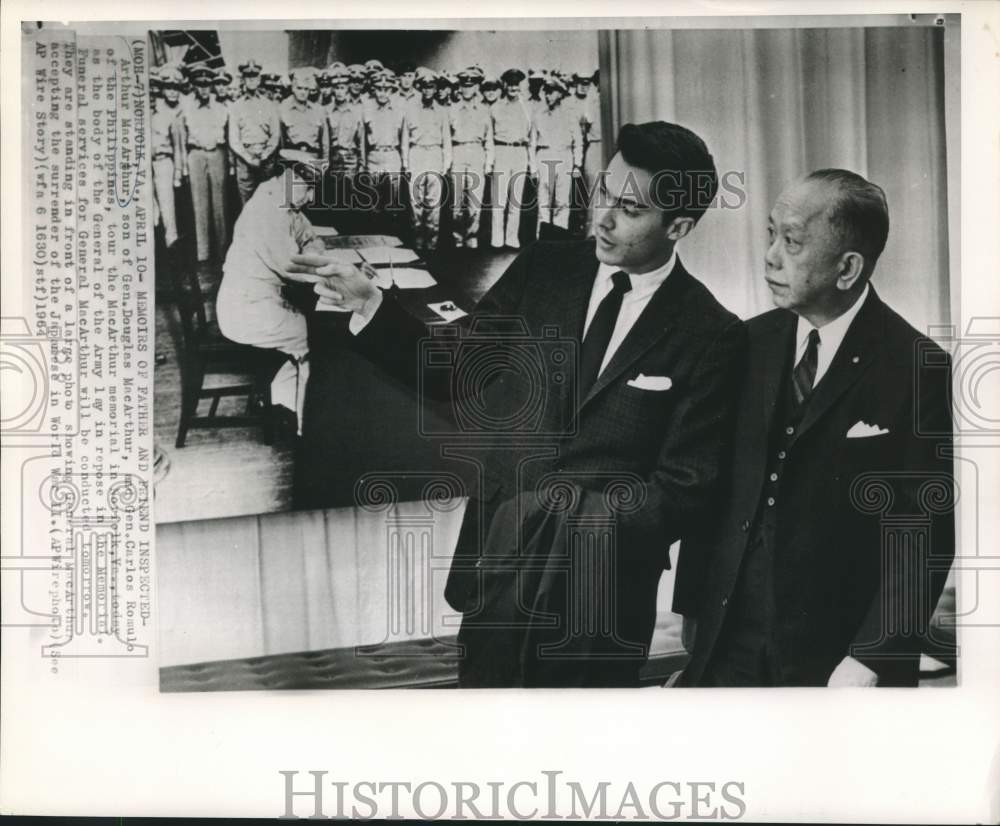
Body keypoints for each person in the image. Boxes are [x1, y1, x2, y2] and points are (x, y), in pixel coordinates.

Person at [287, 121, 745, 687]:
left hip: (599, 599)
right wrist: (373, 304)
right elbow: (457, 372)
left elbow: (685, 488)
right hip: (493, 572)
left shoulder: (713, 332)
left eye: (628, 209)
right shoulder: (542, 268)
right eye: (603, 194)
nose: (602, 218)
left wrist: (571, 525)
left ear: (679, 225)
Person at [677, 169, 955, 688]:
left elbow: (923, 531)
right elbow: (716, 488)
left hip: (839, 660)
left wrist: (872, 658)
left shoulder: (918, 365)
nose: (771, 255)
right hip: (729, 642)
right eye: (770, 234)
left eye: (793, 241)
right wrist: (694, 611)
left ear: (848, 268)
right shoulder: (747, 344)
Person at [217, 150, 330, 422]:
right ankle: (306, 424)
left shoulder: (282, 197)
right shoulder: (267, 208)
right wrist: (336, 274)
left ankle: (280, 396)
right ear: (291, 177)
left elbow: (310, 236)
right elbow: (290, 266)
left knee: (313, 330)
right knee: (314, 336)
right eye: (309, 189)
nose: (311, 198)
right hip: (245, 310)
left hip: (262, 301)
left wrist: (314, 255)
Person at [180, 65, 230, 265]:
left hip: (217, 154)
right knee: (199, 205)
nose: (203, 89)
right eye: (199, 85)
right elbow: (183, 137)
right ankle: (203, 253)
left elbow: (225, 135)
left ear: (211, 86)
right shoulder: (187, 108)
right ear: (194, 86)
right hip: (196, 155)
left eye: (207, 85)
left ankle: (223, 251)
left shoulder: (221, 109)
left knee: (220, 205)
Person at [406, 68, 451, 252]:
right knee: (416, 202)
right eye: (424, 87)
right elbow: (404, 139)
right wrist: (405, 164)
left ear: (435, 89)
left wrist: (445, 164)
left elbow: (446, 139)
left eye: (431, 87)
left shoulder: (441, 112)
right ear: (420, 89)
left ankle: (431, 243)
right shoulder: (410, 110)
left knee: (433, 203)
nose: (427, 91)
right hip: (416, 155)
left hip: (434, 155)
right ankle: (417, 241)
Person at [449, 66, 494, 249]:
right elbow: (447, 137)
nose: (467, 89)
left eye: (471, 85)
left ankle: (471, 237)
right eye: (464, 86)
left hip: (477, 154)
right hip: (458, 152)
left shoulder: (484, 111)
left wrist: (488, 163)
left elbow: (489, 138)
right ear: (460, 88)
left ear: (476, 88)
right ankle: (458, 237)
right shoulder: (451, 110)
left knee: (475, 202)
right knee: (457, 202)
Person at [489, 68, 534, 249]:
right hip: (501, 151)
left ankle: (511, 239)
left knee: (515, 199)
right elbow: (489, 136)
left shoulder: (527, 108)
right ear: (505, 85)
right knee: (499, 199)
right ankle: (497, 240)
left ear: (520, 86)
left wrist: (531, 162)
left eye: (517, 84)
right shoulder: (495, 107)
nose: (513, 88)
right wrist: (490, 161)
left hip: (520, 152)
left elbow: (532, 137)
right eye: (510, 84)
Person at [533, 75, 583, 236]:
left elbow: (578, 141)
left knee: (562, 200)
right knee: (543, 200)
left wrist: (577, 164)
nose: (548, 96)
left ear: (560, 94)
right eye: (546, 92)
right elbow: (532, 142)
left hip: (564, 156)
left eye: (552, 92)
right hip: (544, 155)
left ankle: (560, 236)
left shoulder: (569, 115)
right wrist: (533, 167)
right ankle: (543, 238)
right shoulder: (539, 114)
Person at [229, 59, 281, 205]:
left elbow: (275, 135)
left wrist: (265, 155)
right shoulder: (236, 107)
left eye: (254, 76)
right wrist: (248, 158)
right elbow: (233, 139)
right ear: (243, 80)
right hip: (245, 160)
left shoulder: (269, 105)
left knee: (267, 203)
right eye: (248, 77)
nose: (251, 80)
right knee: (247, 204)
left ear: (259, 79)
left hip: (266, 159)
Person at [150, 65, 185, 248]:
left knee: (167, 211)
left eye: (155, 89)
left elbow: (178, 146)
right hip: (144, 167)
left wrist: (178, 174)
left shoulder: (167, 115)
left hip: (164, 164)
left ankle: (173, 251)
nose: (152, 93)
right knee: (149, 211)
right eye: (149, 89)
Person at [279, 68, 328, 159]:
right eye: (299, 88)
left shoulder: (318, 111)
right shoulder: (283, 110)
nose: (302, 92)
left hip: (313, 159)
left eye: (306, 89)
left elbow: (325, 143)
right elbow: (281, 141)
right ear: (293, 89)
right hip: (291, 159)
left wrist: (325, 163)